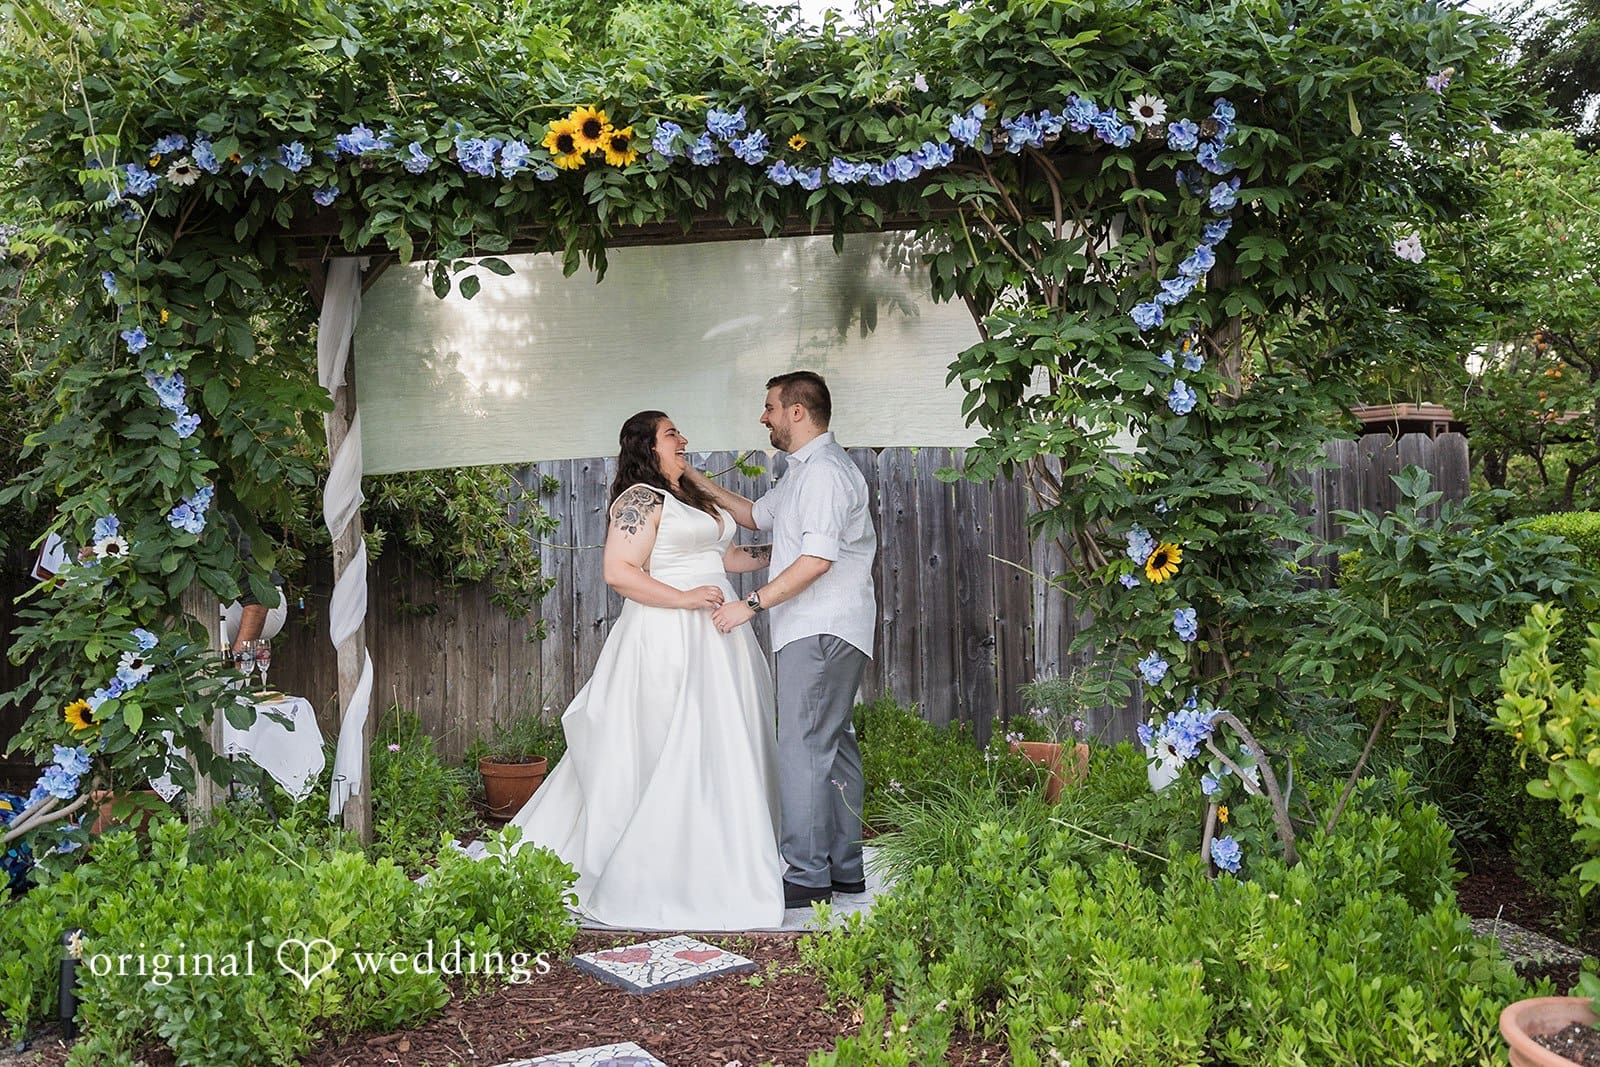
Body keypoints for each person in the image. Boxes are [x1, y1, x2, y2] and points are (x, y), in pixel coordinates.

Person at [507, 411, 785, 930]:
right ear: (647, 446)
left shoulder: (692, 499)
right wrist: (682, 599)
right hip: (667, 636)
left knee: (720, 743)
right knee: (664, 743)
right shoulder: (638, 500)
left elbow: (727, 559)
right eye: (672, 433)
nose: (684, 439)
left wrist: (789, 553)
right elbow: (618, 571)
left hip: (720, 637)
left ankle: (718, 849)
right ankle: (650, 861)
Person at [688, 371, 878, 910]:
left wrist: (748, 606)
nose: (763, 416)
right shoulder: (802, 474)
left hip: (818, 627)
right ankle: (844, 870)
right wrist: (696, 481)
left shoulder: (825, 476)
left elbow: (817, 560)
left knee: (802, 747)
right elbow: (753, 517)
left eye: (770, 407)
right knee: (833, 745)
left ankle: (807, 875)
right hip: (827, 627)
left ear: (797, 411)